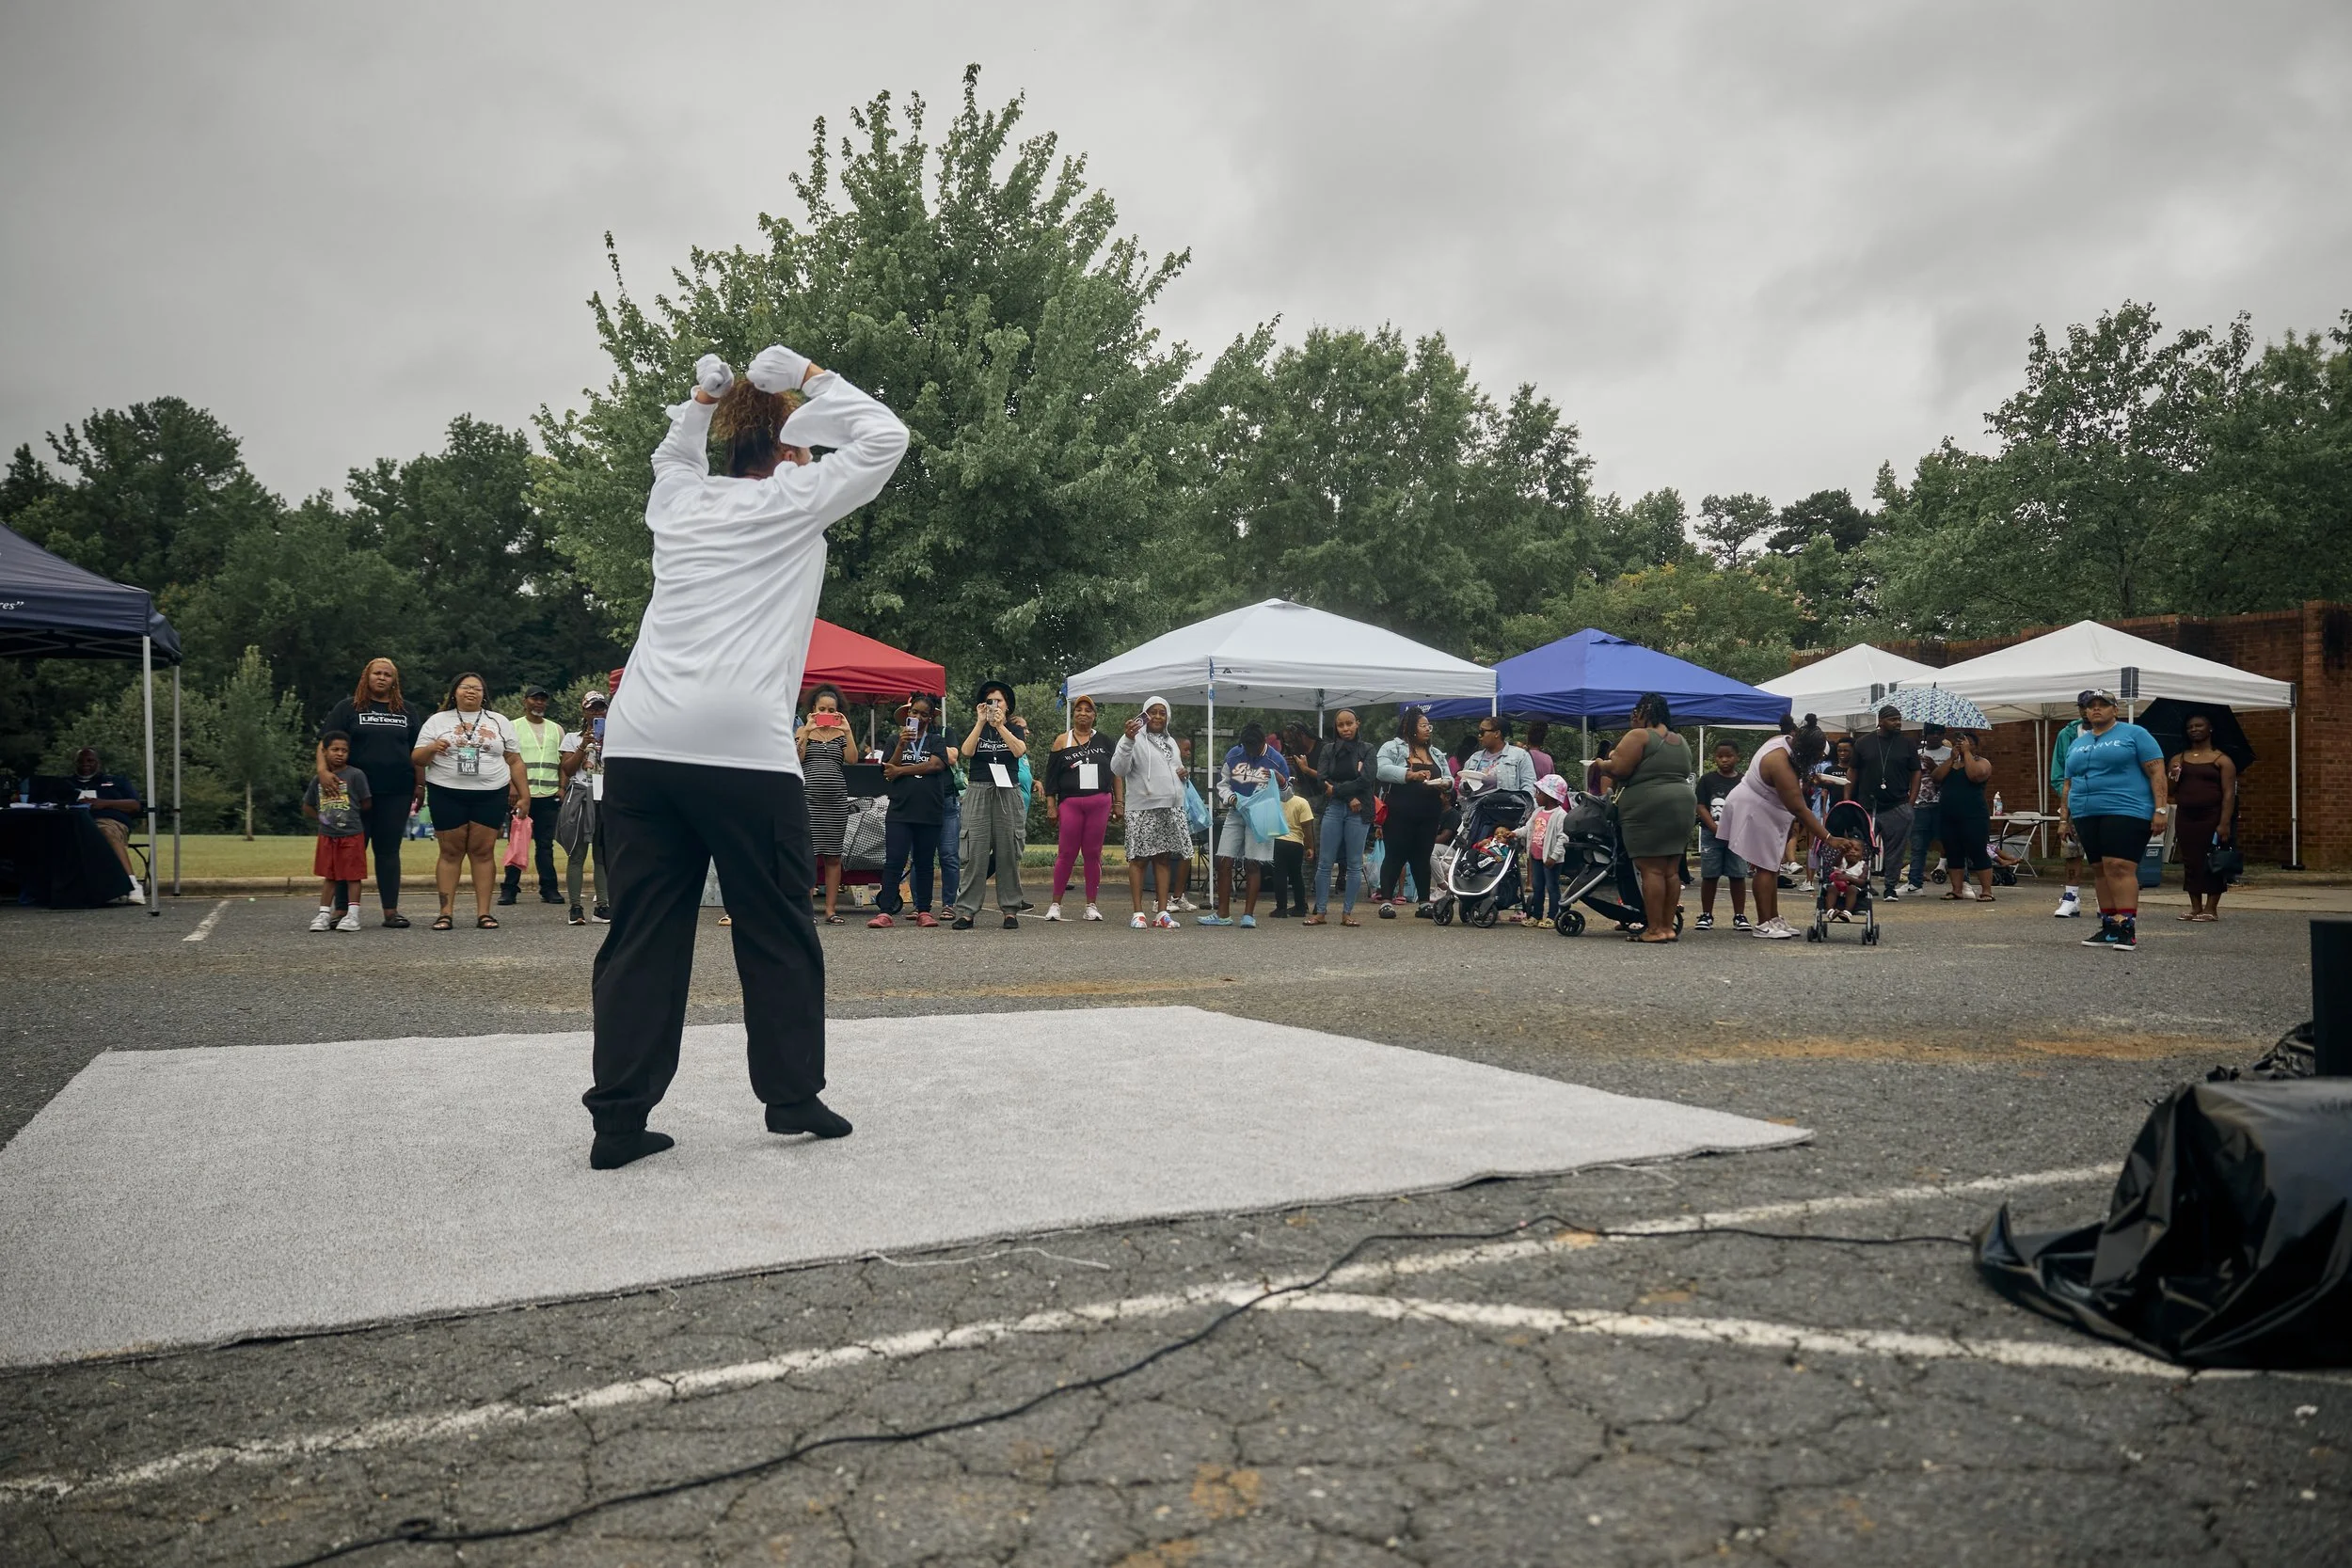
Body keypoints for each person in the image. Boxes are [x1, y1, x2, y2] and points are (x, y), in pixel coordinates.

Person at [586, 343, 908, 1169]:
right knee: (774, 925)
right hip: (742, 751)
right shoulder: (795, 498)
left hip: (641, 743)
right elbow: (885, 438)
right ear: (791, 455)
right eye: (803, 447)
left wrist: (701, 399)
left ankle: (619, 1120)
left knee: (643, 930)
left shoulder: (679, 504)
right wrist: (807, 376)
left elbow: (668, 456)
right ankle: (791, 1095)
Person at [1715, 714, 1856, 940]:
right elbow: (1799, 808)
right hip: (1754, 809)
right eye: (1817, 755)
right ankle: (1763, 923)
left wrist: (1811, 779)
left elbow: (1796, 779)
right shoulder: (1779, 762)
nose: (1819, 758)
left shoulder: (1788, 742)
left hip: (1766, 807)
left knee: (1772, 866)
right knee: (1765, 866)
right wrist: (1829, 838)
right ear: (1806, 750)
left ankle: (1774, 918)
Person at [411, 673, 526, 930]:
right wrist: (432, 748)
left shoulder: (499, 721)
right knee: (450, 852)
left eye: (477, 688)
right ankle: (445, 913)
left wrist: (524, 795)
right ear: (454, 692)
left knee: (483, 852)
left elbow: (515, 760)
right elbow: (417, 758)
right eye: (465, 687)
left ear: (485, 694)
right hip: (446, 791)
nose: (471, 692)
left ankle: (484, 913)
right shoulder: (437, 721)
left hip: (490, 792)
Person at [2058, 689, 2169, 952]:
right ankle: (2109, 927)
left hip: (2126, 808)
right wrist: (2065, 818)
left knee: (2118, 866)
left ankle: (2126, 926)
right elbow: (2068, 783)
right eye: (2090, 705)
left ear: (2115, 710)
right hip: (2086, 812)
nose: (2096, 709)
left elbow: (2157, 772)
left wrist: (2161, 810)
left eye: (2103, 705)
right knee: (2098, 868)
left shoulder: (2135, 734)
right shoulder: (2078, 743)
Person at [319, 657, 425, 927]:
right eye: (377, 673)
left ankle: (391, 911)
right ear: (367, 677)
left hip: (397, 791)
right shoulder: (348, 708)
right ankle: (341, 910)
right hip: (353, 793)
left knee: (388, 850)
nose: (381, 678)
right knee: (349, 851)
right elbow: (325, 744)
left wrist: (420, 784)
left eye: (387, 675)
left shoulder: (407, 711)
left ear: (394, 681)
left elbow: (417, 752)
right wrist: (323, 772)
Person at [1595, 693, 1696, 943]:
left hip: (1648, 806)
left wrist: (1601, 763)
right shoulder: (1680, 740)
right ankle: (1667, 927)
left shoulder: (1639, 736)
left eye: (1635, 712)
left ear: (1644, 711)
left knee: (1650, 868)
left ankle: (1654, 929)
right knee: (1671, 870)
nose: (1632, 717)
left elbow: (1619, 769)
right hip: (1682, 804)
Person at [867, 693, 950, 928]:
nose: (918, 717)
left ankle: (923, 910)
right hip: (901, 810)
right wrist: (902, 745)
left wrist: (902, 771)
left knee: (924, 862)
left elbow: (936, 765)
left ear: (931, 717)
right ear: (907, 713)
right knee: (894, 860)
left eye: (924, 714)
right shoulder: (895, 739)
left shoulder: (936, 740)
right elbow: (888, 769)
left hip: (929, 810)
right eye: (915, 712)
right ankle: (885, 912)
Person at [952, 680, 1028, 929]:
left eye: (999, 701)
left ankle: (1010, 910)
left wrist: (1001, 726)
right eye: (990, 701)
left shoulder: (1014, 729)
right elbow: (966, 751)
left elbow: (1018, 751)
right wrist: (981, 722)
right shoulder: (979, 727)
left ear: (1007, 706)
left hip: (1008, 791)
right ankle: (966, 911)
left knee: (1008, 852)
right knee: (975, 852)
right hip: (979, 789)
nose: (994, 706)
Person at [1200, 721, 1289, 927]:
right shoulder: (1234, 755)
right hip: (1237, 811)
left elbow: (1287, 795)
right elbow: (1222, 784)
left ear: (1263, 742)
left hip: (1262, 814)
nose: (1251, 753)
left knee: (1253, 862)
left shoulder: (1276, 760)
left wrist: (1281, 780)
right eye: (1247, 749)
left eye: (1255, 749)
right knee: (1223, 860)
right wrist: (1231, 798)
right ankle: (1222, 915)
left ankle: (1248, 915)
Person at [1114, 696, 1189, 929]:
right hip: (1142, 807)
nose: (1157, 716)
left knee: (1164, 858)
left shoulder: (1172, 742)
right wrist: (1127, 739)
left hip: (1170, 806)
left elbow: (1170, 770)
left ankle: (1162, 912)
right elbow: (1118, 768)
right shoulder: (1133, 738)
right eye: (1152, 712)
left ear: (1167, 717)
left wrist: (1181, 777)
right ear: (1144, 715)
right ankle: (1138, 913)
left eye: (1162, 712)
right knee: (1138, 859)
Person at [1044, 694, 1118, 922]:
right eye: (1079, 709)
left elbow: (1116, 773)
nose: (1083, 713)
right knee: (1066, 852)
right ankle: (1055, 904)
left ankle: (1091, 905)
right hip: (1071, 803)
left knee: (1093, 853)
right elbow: (1051, 777)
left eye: (1088, 710)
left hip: (1100, 801)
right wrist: (1051, 805)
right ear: (1073, 714)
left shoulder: (1105, 741)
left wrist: (1119, 802)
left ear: (1094, 716)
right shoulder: (1061, 741)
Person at [1375, 707, 1452, 917]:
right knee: (1395, 855)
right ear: (1410, 728)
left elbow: (1449, 777)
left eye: (1429, 726)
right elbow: (1381, 770)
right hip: (1400, 812)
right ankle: (1387, 901)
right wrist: (1410, 774)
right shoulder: (1392, 747)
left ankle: (1424, 902)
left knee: (1422, 856)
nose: (1428, 729)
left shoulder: (1435, 753)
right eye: (1424, 725)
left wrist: (1446, 784)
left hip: (1428, 814)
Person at [1303, 708, 1375, 927]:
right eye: (1341, 725)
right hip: (1333, 808)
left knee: (1354, 863)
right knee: (1325, 862)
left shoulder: (1367, 750)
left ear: (1357, 723)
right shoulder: (1328, 750)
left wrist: (1345, 793)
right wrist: (1347, 795)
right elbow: (1322, 779)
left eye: (1349, 724)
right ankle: (1321, 912)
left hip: (1358, 809)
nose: (1345, 729)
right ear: (1336, 727)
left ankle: (1347, 913)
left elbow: (1367, 779)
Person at [500, 685, 567, 907]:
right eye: (534, 699)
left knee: (545, 845)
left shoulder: (556, 729)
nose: (539, 703)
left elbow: (562, 762)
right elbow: (506, 759)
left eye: (542, 700)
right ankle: (509, 889)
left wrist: (562, 786)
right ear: (525, 701)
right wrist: (511, 786)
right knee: (517, 842)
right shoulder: (513, 727)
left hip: (548, 795)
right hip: (522, 795)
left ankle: (549, 888)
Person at [2169, 711, 2237, 923]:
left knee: (2212, 860)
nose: (2194, 730)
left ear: (2210, 730)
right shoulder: (2178, 758)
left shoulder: (2222, 760)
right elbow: (2171, 789)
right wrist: (2174, 773)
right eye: (2190, 727)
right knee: (2191, 861)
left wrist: (2224, 822)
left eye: (2199, 726)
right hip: (2186, 815)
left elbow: (2228, 794)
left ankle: (2211, 908)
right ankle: (2195, 907)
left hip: (2212, 816)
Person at [1848, 705, 1919, 901]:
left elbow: (1916, 772)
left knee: (1895, 850)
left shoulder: (1907, 744)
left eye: (1899, 719)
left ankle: (1890, 887)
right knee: (1861, 848)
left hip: (1897, 805)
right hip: (1867, 805)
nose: (1898, 722)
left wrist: (1911, 802)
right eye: (1892, 719)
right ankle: (1861, 884)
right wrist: (1847, 799)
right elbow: (1852, 771)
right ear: (1880, 721)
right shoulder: (1863, 743)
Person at [303, 732, 372, 931]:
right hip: (328, 835)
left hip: (351, 834)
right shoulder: (319, 779)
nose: (340, 754)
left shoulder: (356, 775)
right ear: (324, 752)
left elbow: (366, 802)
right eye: (335, 750)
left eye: (344, 750)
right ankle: (324, 913)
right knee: (330, 875)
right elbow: (308, 806)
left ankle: (353, 915)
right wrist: (323, 818)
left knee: (353, 875)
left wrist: (349, 815)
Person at [797, 684, 852, 925]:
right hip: (809, 800)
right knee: (808, 855)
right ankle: (806, 909)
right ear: (813, 709)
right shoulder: (802, 730)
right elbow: (795, 759)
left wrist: (847, 731)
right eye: (822, 708)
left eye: (832, 709)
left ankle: (831, 910)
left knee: (833, 856)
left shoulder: (841, 733)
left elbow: (852, 759)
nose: (827, 713)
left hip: (836, 801)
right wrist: (807, 732)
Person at [60, 747, 143, 896]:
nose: (85, 764)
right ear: (75, 763)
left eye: (90, 760)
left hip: (107, 821)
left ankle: (132, 885)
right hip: (72, 823)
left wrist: (104, 803)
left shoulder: (116, 781)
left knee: (103, 830)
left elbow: (135, 805)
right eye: (81, 761)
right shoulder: (64, 784)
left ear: (98, 763)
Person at [558, 691, 609, 925]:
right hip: (581, 794)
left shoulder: (615, 737)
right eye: (592, 708)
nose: (597, 712)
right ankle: (576, 907)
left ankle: (602, 906)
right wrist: (583, 746)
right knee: (577, 854)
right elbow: (567, 769)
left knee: (603, 855)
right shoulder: (571, 737)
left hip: (605, 796)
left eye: (601, 708)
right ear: (584, 711)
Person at [1692, 739, 1751, 932]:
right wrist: (1714, 827)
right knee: (1710, 875)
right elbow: (1700, 806)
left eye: (1729, 756)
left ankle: (1739, 915)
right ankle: (1706, 914)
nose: (1724, 760)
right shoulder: (1707, 780)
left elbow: (1748, 806)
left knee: (1737, 874)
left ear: (1737, 757)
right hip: (1712, 834)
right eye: (1720, 756)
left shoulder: (1744, 781)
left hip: (1738, 835)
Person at [1936, 729, 1996, 902]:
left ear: (1975, 746)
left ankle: (1986, 891)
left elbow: (1975, 776)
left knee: (1977, 851)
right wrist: (1951, 759)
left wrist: (1967, 753)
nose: (1961, 745)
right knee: (1953, 852)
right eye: (1959, 743)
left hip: (1974, 816)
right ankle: (1957, 889)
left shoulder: (1982, 762)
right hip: (1949, 815)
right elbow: (1936, 777)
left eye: (1966, 743)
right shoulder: (1952, 764)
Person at [2049, 697, 2091, 917]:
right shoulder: (2067, 734)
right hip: (2075, 801)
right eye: (2084, 707)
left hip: (2105, 802)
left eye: (2095, 706)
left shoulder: (2117, 735)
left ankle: (2108, 901)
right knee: (2071, 850)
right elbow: (2058, 774)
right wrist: (2070, 798)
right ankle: (2071, 897)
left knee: (2102, 853)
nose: (2089, 711)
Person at [1905, 723, 1952, 892]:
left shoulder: (1950, 754)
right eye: (1931, 733)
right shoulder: (1915, 754)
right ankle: (1914, 884)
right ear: (1924, 734)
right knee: (1918, 847)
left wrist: (1934, 767)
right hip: (1920, 805)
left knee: (1951, 844)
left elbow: (1953, 780)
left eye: (1939, 733)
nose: (1935, 736)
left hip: (1944, 805)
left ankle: (1962, 883)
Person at [1521, 771, 1569, 929]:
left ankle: (1553, 915)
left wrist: (1554, 856)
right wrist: (1513, 833)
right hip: (1536, 856)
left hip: (1550, 859)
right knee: (1537, 886)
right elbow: (1528, 829)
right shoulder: (1537, 812)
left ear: (1549, 795)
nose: (1536, 796)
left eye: (1539, 792)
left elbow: (1563, 838)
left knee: (1552, 886)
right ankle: (1536, 914)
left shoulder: (1560, 815)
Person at [1269, 779, 1315, 917]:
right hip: (1296, 843)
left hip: (1278, 841)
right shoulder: (1302, 802)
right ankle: (1300, 907)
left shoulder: (1274, 801)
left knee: (1280, 875)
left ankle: (1281, 908)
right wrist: (1310, 847)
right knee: (1296, 876)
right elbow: (1307, 827)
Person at [1459, 717, 1539, 796]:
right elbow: (1463, 790)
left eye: (1482, 731)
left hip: (1508, 807)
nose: (1479, 735)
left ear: (1497, 733)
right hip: (1477, 807)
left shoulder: (1520, 755)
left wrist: (1521, 804)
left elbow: (1529, 784)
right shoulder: (1474, 758)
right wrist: (1466, 785)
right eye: (1479, 732)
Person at [1522, 721, 1556, 785]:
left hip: (1527, 792)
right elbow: (1552, 781)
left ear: (1528, 739)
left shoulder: (1523, 756)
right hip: (1543, 792)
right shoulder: (1548, 758)